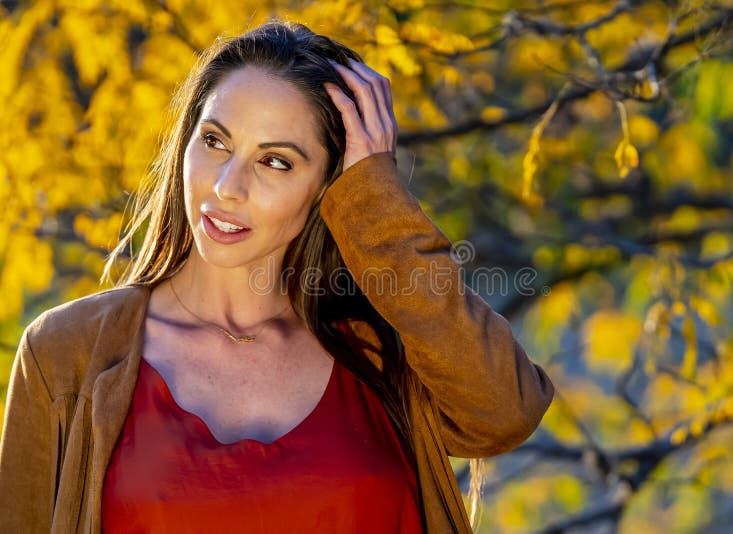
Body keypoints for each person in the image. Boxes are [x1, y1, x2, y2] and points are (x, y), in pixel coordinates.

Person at [0, 18, 555, 534]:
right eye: (215, 141)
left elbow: (504, 414)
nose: (227, 187)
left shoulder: (382, 348)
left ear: (328, 188)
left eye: (275, 161)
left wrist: (377, 202)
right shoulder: (66, 355)